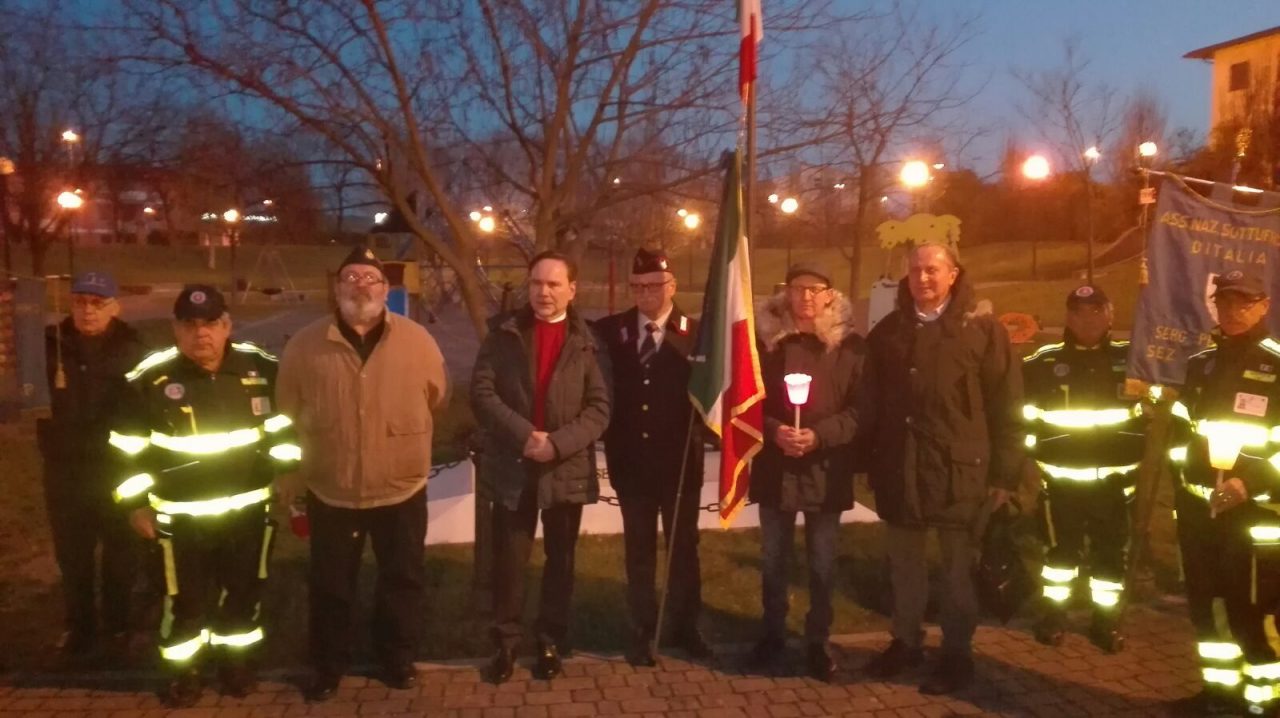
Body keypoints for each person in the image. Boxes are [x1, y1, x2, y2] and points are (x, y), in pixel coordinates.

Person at [109, 285, 299, 707]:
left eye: (211, 323)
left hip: (249, 512)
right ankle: (184, 673)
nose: (202, 334)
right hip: (181, 519)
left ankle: (235, 665)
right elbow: (127, 450)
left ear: (227, 325)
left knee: (244, 594)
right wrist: (134, 504)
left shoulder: (260, 368)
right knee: (185, 602)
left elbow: (283, 429)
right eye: (191, 325)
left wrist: (288, 472)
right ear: (176, 329)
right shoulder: (149, 379)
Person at [275, 247, 448, 702]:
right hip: (332, 489)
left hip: (400, 488)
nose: (360, 286)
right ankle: (329, 666)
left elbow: (437, 395)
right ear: (336, 288)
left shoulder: (418, 341)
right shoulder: (305, 345)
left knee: (402, 580)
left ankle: (397, 659)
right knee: (331, 585)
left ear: (386, 290)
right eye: (350, 277)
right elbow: (287, 408)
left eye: (370, 278)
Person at [858, 243, 1023, 694]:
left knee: (957, 573)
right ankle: (905, 641)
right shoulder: (889, 332)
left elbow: (1007, 406)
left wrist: (1005, 476)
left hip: (959, 472)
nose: (923, 279)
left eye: (933, 270)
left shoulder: (983, 331)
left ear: (953, 274)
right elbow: (870, 403)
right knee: (905, 568)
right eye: (915, 271)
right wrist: (864, 460)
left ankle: (957, 654)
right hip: (901, 469)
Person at [471, 250, 610, 684]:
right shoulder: (504, 333)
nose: (543, 292)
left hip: (563, 469)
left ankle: (550, 640)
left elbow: (600, 407)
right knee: (509, 562)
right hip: (514, 465)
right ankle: (506, 644)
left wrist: (557, 444)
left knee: (560, 561)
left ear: (572, 289)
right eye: (536, 283)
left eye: (553, 284)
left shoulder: (589, 341)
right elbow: (482, 391)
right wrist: (524, 435)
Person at [1165, 270, 1280, 716]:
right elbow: (1182, 435)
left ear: (1264, 305)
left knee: (1251, 610)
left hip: (1253, 514)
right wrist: (1184, 486)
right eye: (1225, 302)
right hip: (1199, 511)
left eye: (1244, 302)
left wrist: (1247, 484)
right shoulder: (1201, 364)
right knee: (1206, 607)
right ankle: (1220, 692)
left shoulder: (1276, 365)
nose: (1233, 311)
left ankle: (1263, 702)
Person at [747, 264, 864, 682]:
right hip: (777, 469)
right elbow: (746, 403)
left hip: (825, 469)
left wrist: (818, 435)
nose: (807, 298)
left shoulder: (849, 347)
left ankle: (818, 640)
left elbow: (859, 411)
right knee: (774, 559)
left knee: (821, 563)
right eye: (799, 289)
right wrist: (774, 429)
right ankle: (772, 634)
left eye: (816, 290)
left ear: (830, 295)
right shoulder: (765, 343)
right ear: (787, 294)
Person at [595, 248, 709, 667]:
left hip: (679, 464)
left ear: (672, 286)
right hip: (632, 462)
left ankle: (685, 625)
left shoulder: (697, 334)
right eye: (638, 286)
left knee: (684, 549)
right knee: (638, 550)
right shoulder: (610, 331)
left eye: (655, 285)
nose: (646, 293)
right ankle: (642, 627)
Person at [1022, 285, 1145, 653]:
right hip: (1060, 483)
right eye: (1078, 312)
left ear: (1110, 313)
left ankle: (1105, 622)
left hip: (1116, 484)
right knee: (1060, 556)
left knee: (1111, 555)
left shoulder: (1135, 362)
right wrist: (1029, 466)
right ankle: (1053, 616)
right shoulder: (1040, 363)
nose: (1086, 319)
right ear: (1067, 317)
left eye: (1095, 310)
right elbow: (1023, 420)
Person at [38, 271, 147, 663]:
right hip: (65, 472)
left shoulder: (133, 348)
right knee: (73, 557)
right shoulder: (47, 346)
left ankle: (118, 626)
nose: (88, 310)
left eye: (98, 302)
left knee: (121, 554)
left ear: (115, 307)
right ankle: (80, 627)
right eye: (81, 301)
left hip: (116, 471)